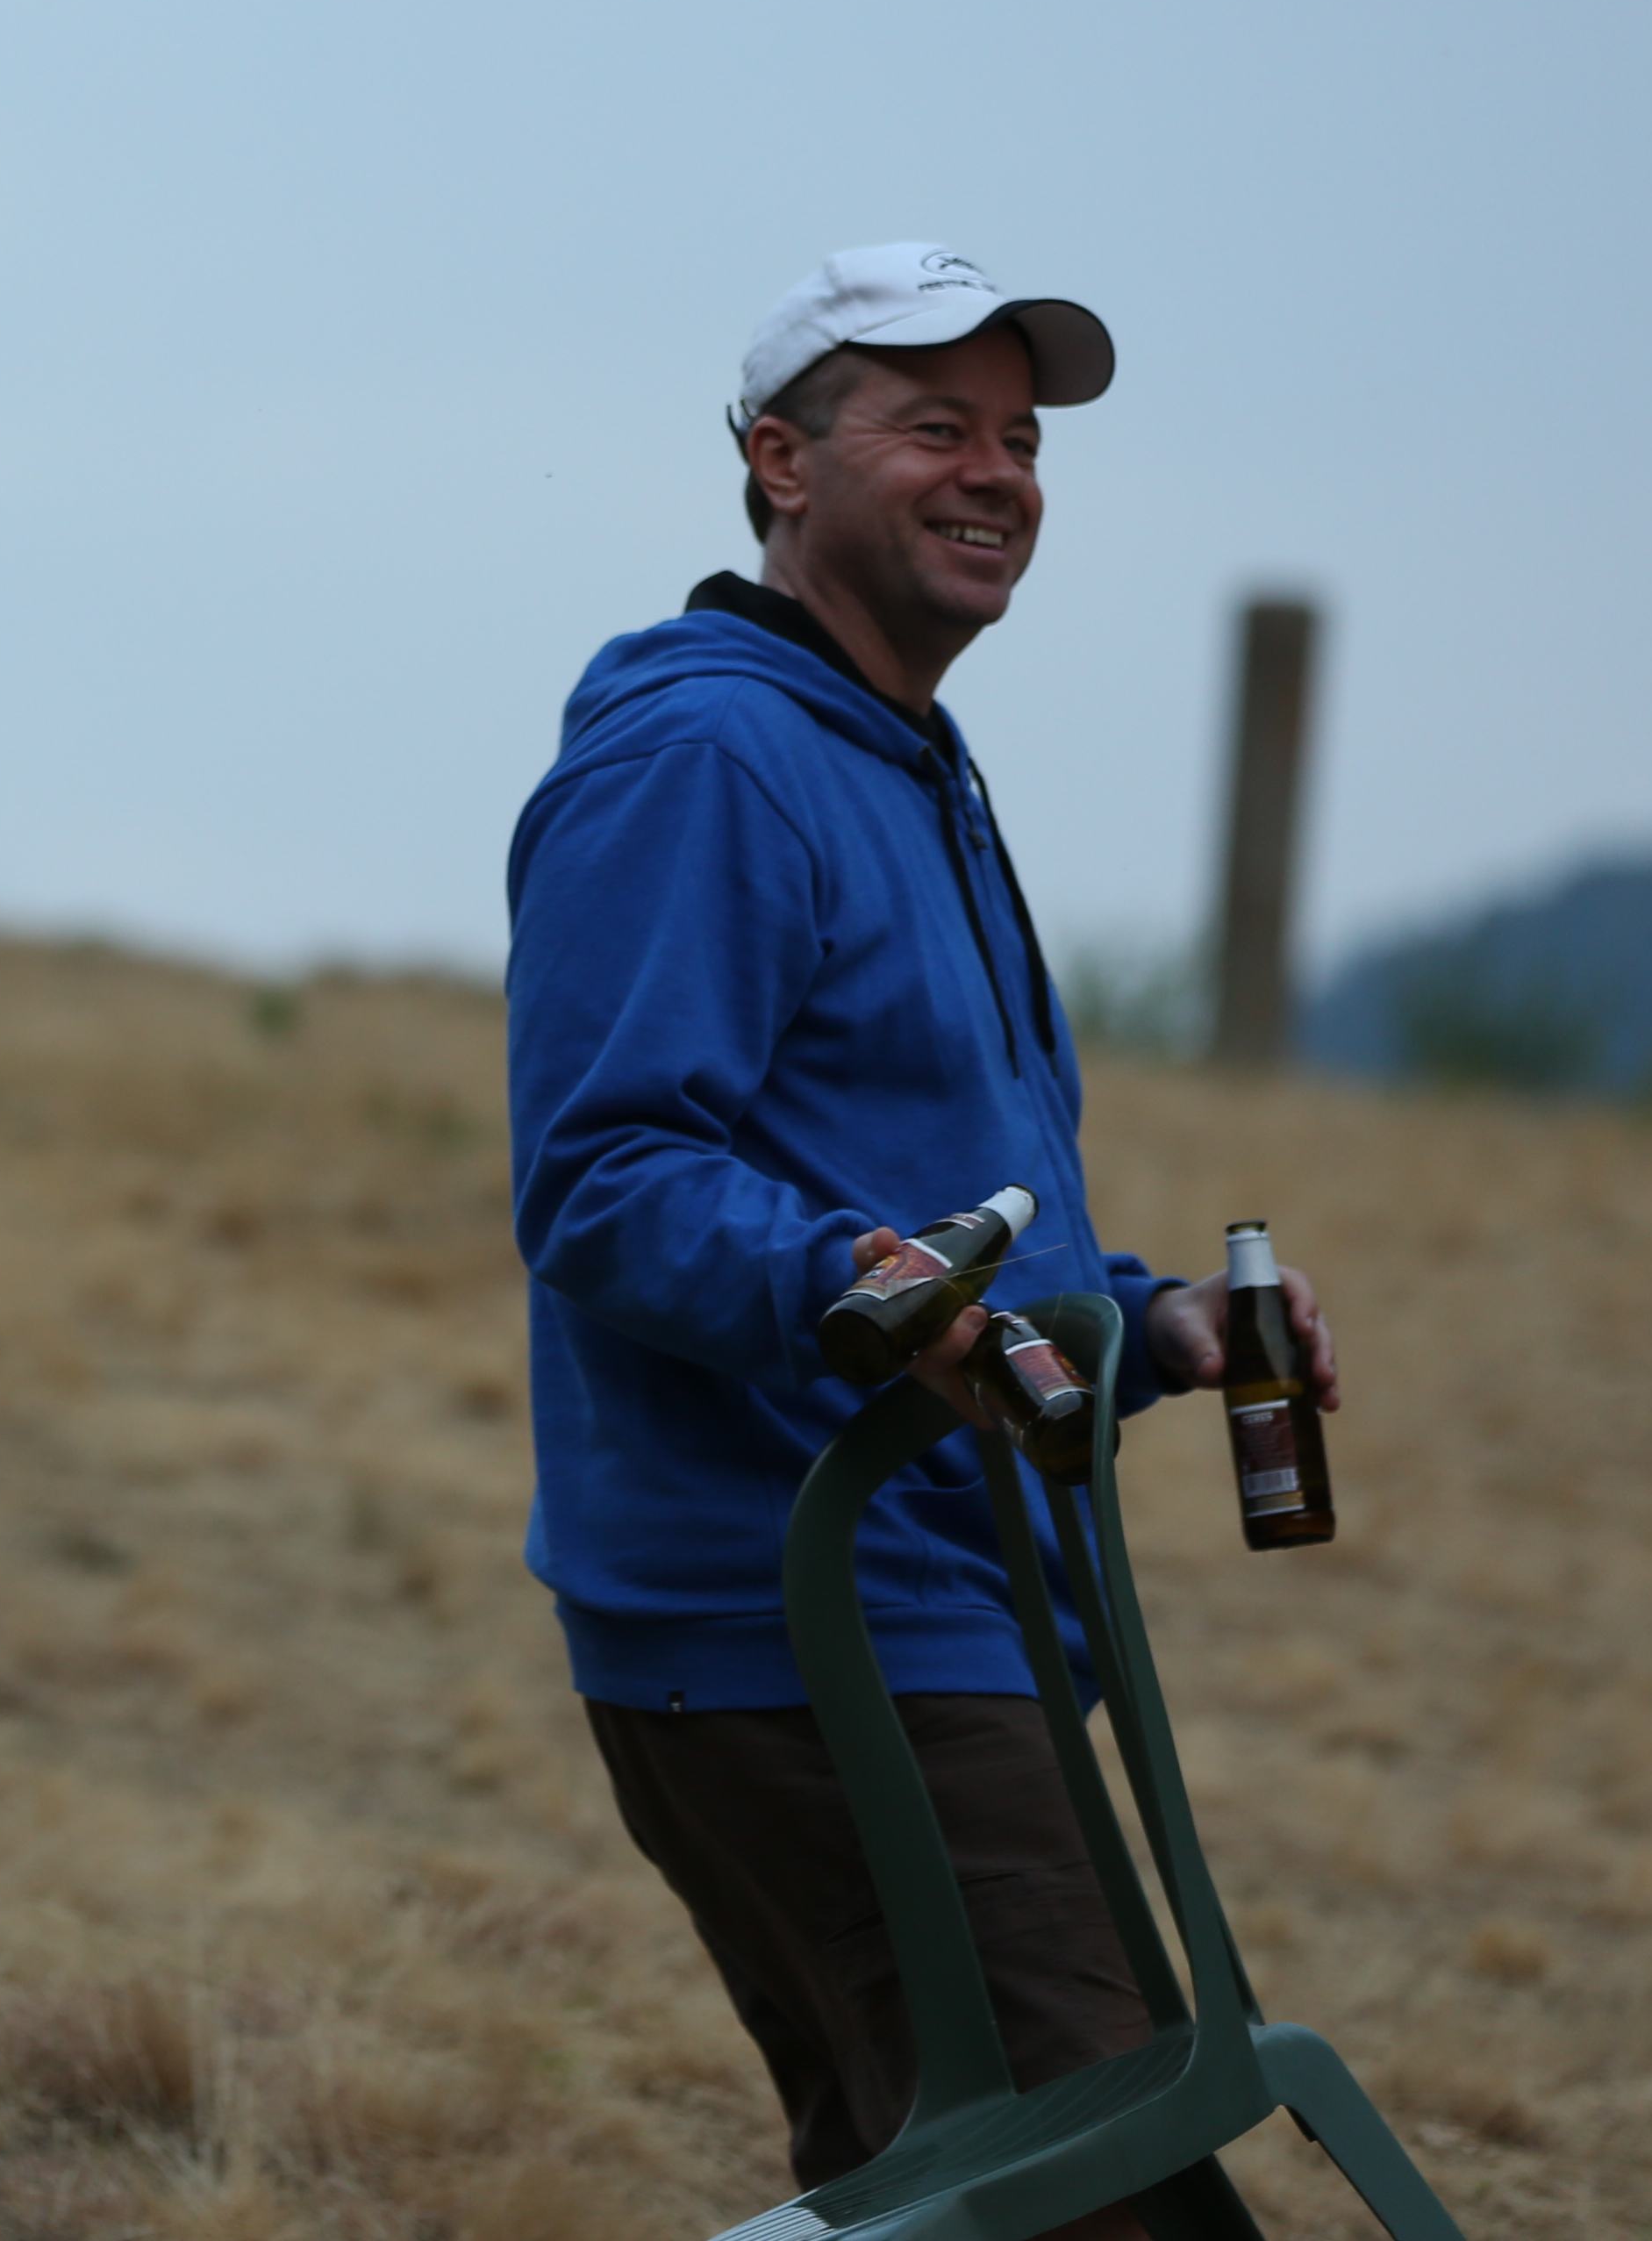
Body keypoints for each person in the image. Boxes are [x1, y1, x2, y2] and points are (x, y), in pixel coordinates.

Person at [499, 243, 1343, 2223]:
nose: (1000, 473)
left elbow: (930, 1199)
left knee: (931, 2194)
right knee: (1103, 2186)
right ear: (781, 463)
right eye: (935, 427)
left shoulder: (900, 762)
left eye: (1023, 437)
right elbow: (606, 1175)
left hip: (932, 1595)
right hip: (809, 1614)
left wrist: (1159, 1327)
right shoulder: (708, 756)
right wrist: (853, 1290)